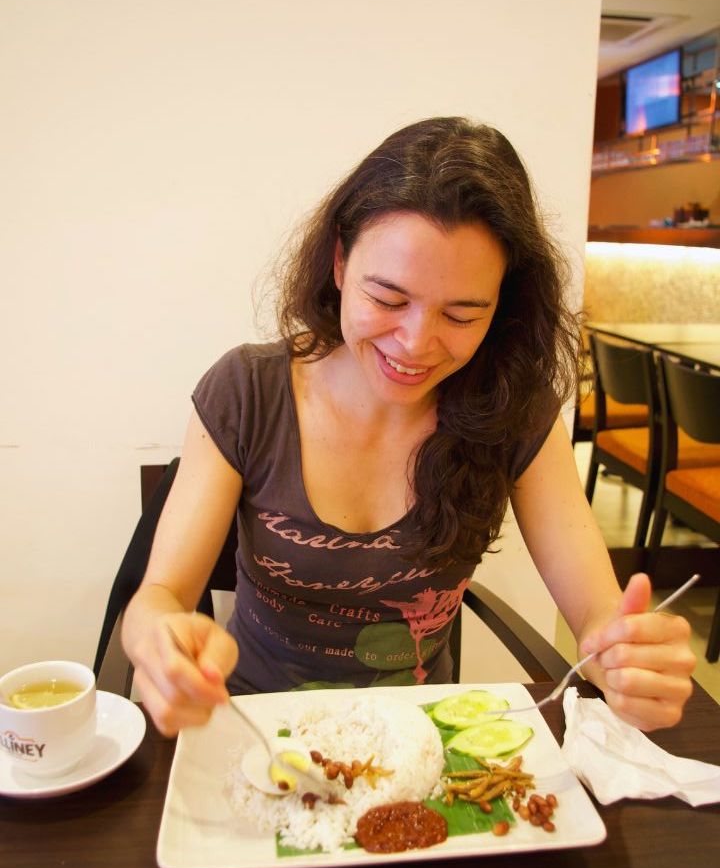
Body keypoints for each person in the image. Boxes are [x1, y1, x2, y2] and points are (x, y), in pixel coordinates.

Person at [121, 116, 695, 737]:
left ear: (502, 304)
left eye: (462, 313)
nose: (416, 344)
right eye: (389, 299)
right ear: (340, 262)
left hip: (419, 747)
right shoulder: (248, 394)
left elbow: (597, 613)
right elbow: (160, 597)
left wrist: (624, 658)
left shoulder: (516, 411)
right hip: (257, 739)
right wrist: (158, 638)